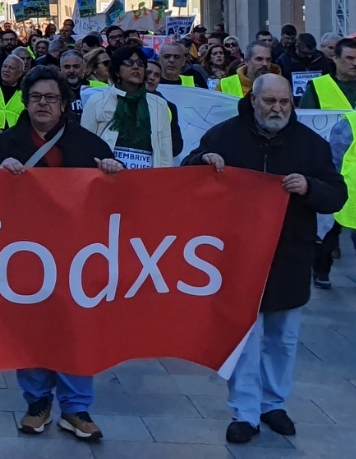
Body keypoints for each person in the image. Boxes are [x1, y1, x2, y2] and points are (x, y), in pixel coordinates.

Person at [183, 74, 346, 444]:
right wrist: (202, 161)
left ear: (292, 103)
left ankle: (274, 404)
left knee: (283, 337)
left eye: (284, 102)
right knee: (245, 337)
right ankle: (245, 411)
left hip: (289, 253)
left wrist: (309, 187)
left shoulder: (311, 145)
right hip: (236, 254)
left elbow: (337, 194)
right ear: (253, 101)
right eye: (270, 101)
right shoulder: (224, 136)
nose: (277, 108)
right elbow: (188, 176)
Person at [0, 69, 119, 442]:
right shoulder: (7, 143)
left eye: (50, 98)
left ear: (63, 104)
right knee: (33, 327)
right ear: (25, 101)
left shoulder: (90, 146)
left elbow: (118, 198)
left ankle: (76, 408)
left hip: (77, 255)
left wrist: (113, 173)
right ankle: (37, 403)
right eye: (36, 97)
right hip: (24, 255)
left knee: (76, 328)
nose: (42, 104)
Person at [81, 46, 174, 168]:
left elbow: (165, 151)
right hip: (108, 175)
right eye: (129, 63)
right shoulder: (97, 102)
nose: (136, 67)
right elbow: (85, 146)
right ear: (117, 71)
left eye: (140, 63)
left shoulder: (159, 104)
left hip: (147, 179)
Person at [278, 33, 333, 103]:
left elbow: (328, 78)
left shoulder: (320, 57)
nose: (309, 56)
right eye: (305, 54)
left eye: (312, 53)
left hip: (318, 101)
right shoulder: (284, 61)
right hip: (294, 103)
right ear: (297, 47)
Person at [59, 50, 87, 117]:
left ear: (84, 68)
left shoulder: (98, 88)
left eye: (76, 66)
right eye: (67, 67)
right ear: (60, 69)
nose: (71, 71)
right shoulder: (54, 90)